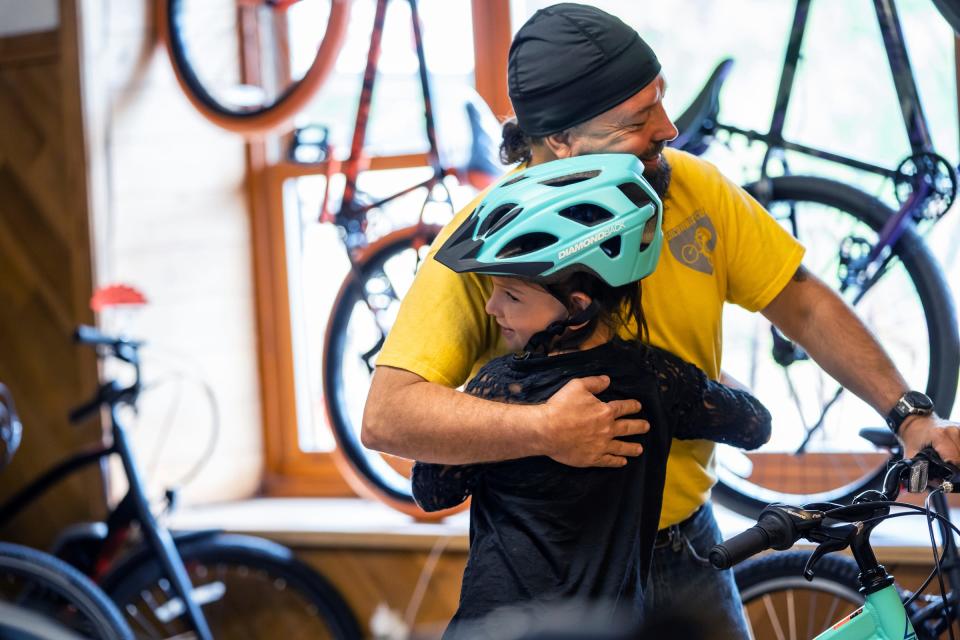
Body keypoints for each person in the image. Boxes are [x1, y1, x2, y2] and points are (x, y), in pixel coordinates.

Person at [362, 3, 960, 635]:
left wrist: (909, 415)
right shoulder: (491, 240)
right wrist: (541, 428)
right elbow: (388, 414)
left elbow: (802, 301)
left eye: (662, 101)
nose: (669, 128)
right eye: (638, 118)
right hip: (553, 566)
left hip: (689, 546)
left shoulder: (693, 188)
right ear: (562, 139)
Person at [410, 154, 772, 636]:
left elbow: (431, 490)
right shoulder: (658, 381)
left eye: (511, 296)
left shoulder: (501, 387)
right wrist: (697, 366)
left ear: (577, 306)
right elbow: (754, 424)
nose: (492, 307)